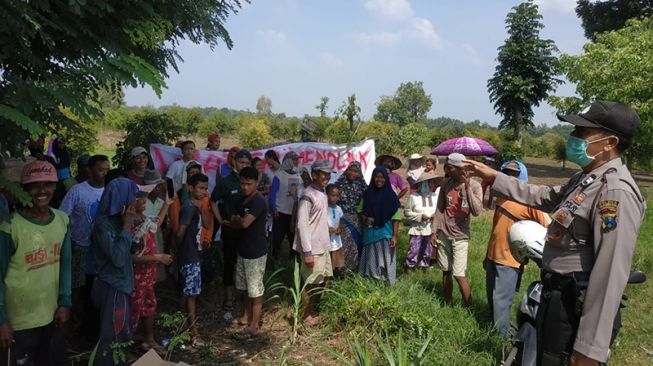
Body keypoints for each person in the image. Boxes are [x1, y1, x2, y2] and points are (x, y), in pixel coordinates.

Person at [465, 100, 645, 366]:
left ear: (610, 142)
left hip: (577, 306)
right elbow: (546, 196)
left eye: (583, 132)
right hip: (557, 297)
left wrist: (589, 349)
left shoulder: (614, 191)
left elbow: (610, 274)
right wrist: (496, 177)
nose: (573, 137)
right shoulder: (587, 178)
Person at [0, 161, 72, 366]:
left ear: (55, 186)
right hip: (18, 321)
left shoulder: (62, 220)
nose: (42, 191)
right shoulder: (10, 226)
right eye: (34, 185)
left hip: (51, 314)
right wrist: (2, 319)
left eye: (48, 184)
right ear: (24, 189)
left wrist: (65, 302)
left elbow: (65, 264)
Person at [483, 160, 550, 339]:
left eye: (514, 173)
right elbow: (496, 229)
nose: (509, 176)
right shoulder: (501, 197)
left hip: (510, 259)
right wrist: (486, 256)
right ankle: (498, 331)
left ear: (522, 176)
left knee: (501, 302)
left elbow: (548, 226)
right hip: (493, 256)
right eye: (506, 173)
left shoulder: (529, 201)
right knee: (492, 299)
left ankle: (502, 341)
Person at [90, 178, 142, 366]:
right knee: (112, 337)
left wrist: (133, 228)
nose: (135, 202)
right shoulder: (104, 225)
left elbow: (131, 250)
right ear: (122, 201)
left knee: (121, 334)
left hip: (121, 285)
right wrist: (127, 225)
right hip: (111, 287)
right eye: (132, 198)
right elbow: (119, 259)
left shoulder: (118, 222)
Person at [59, 154, 108, 339]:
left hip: (101, 250)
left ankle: (91, 327)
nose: (104, 173)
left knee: (95, 289)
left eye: (106, 170)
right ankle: (68, 327)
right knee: (76, 289)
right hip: (80, 247)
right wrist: (68, 240)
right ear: (90, 169)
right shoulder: (77, 191)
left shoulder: (109, 190)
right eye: (100, 169)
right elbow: (63, 217)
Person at [432, 153, 482, 306]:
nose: (446, 169)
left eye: (450, 167)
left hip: (461, 236)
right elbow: (440, 209)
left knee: (459, 275)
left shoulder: (475, 186)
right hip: (444, 233)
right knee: (446, 271)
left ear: (460, 169)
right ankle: (448, 303)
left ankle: (470, 307)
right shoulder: (445, 185)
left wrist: (466, 187)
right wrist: (434, 232)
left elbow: (476, 211)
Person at [130, 183, 173, 354]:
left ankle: (148, 338)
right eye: (142, 200)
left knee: (148, 305)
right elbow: (132, 257)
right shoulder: (132, 225)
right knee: (134, 308)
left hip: (147, 275)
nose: (145, 202)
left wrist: (166, 204)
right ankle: (125, 345)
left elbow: (156, 224)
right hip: (136, 276)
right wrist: (158, 258)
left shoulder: (143, 219)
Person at [229, 167, 268, 338]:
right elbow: (233, 219)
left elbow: (244, 223)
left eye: (249, 184)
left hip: (256, 252)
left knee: (255, 290)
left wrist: (238, 220)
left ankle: (254, 325)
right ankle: (246, 316)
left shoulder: (258, 201)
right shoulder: (242, 199)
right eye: (242, 183)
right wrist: (238, 220)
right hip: (243, 249)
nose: (245, 187)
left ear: (256, 183)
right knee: (244, 288)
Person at [211, 150, 252, 311]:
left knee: (246, 262)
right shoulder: (226, 182)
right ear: (234, 162)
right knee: (229, 262)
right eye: (241, 162)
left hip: (247, 230)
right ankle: (228, 295)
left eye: (247, 163)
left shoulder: (252, 181)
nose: (244, 166)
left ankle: (245, 294)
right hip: (230, 230)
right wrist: (221, 220)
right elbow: (213, 200)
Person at [293, 160, 333, 325]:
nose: (327, 177)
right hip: (312, 248)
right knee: (310, 283)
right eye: (323, 174)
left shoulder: (322, 193)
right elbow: (302, 225)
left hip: (322, 246)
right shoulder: (307, 196)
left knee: (322, 280)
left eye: (328, 174)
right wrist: (307, 252)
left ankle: (312, 311)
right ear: (314, 175)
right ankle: (304, 315)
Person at [175, 173, 211, 347]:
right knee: (191, 295)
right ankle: (194, 334)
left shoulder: (196, 207)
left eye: (205, 188)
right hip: (189, 256)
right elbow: (180, 232)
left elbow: (206, 224)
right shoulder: (189, 207)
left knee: (188, 291)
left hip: (192, 254)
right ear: (190, 188)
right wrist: (180, 249)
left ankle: (182, 327)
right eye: (200, 188)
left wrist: (203, 206)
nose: (204, 191)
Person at [358, 166, 401, 285]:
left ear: (386, 179)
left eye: (382, 177)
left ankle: (387, 285)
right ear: (373, 178)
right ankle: (371, 284)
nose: (379, 180)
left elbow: (396, 218)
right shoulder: (367, 194)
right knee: (371, 260)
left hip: (386, 233)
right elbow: (360, 210)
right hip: (370, 233)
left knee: (386, 259)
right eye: (377, 177)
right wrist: (365, 218)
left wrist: (395, 236)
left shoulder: (391, 197)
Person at [404, 171, 440, 271]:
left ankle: (424, 266)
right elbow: (406, 212)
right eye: (428, 183)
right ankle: (409, 267)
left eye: (432, 183)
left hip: (430, 229)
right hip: (417, 228)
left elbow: (438, 210)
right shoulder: (413, 197)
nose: (431, 185)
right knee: (413, 249)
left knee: (428, 249)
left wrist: (434, 216)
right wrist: (419, 216)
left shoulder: (434, 196)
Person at [334, 161, 367, 272]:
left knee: (354, 244)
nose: (352, 173)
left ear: (359, 173)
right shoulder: (339, 184)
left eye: (355, 171)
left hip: (356, 219)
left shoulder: (362, 185)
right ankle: (340, 268)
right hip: (341, 218)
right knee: (342, 243)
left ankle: (352, 269)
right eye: (350, 170)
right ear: (346, 170)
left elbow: (368, 201)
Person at [269, 151, 302, 260]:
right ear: (288, 161)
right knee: (277, 239)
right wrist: (273, 208)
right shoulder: (279, 175)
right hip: (280, 212)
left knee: (293, 239)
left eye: (297, 159)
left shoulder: (299, 176)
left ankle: (292, 261)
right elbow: (272, 193)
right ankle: (275, 260)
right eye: (295, 159)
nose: (297, 162)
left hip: (293, 214)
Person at [326, 184, 345, 278]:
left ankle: (335, 275)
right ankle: (328, 276)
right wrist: (327, 228)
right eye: (332, 195)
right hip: (326, 239)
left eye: (337, 196)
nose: (335, 198)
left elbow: (341, 220)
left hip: (336, 238)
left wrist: (340, 228)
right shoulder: (324, 208)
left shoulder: (338, 209)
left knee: (336, 255)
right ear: (327, 195)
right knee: (328, 257)